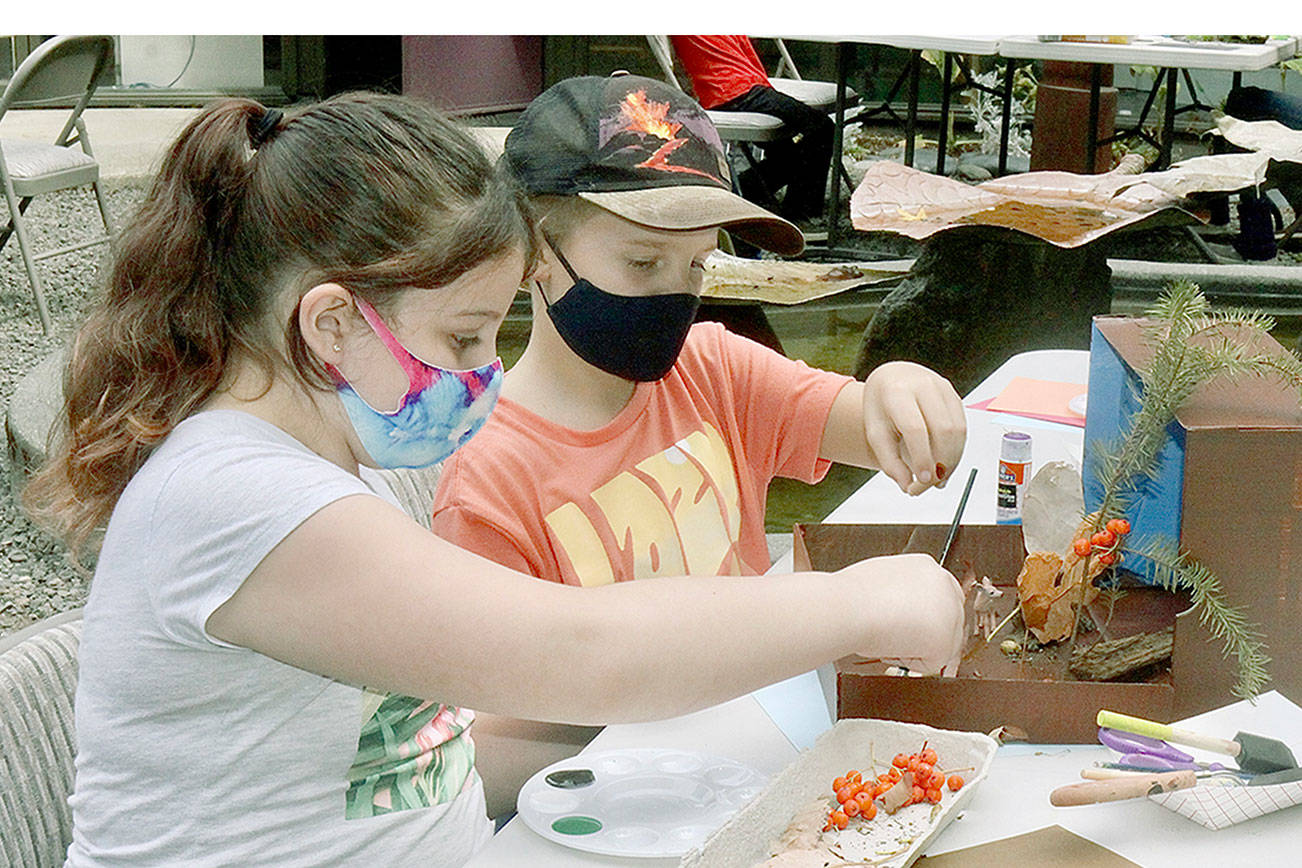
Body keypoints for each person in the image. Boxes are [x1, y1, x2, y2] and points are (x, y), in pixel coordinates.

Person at [22, 92, 965, 867]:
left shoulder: (350, 463)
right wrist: (856, 603)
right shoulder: (229, 498)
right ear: (332, 326)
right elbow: (579, 651)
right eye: (465, 337)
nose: (483, 372)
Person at [431, 73, 968, 589]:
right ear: (535, 251)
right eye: (643, 262)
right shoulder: (486, 484)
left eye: (697, 264)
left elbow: (871, 421)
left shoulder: (715, 371)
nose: (675, 294)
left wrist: (898, 386)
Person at [670, 35, 834, 224]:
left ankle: (743, 195)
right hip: (733, 92)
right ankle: (799, 214)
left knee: (789, 157)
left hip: (741, 87)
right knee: (822, 129)